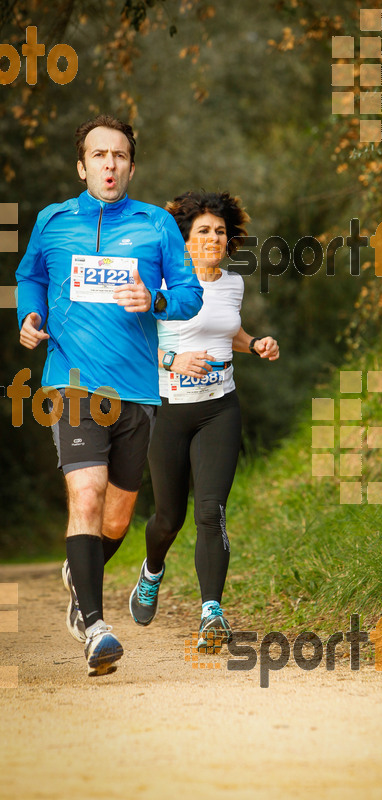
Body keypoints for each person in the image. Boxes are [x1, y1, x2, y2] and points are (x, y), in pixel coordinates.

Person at [16, 115, 203, 676]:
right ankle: (94, 625)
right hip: (73, 382)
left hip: (139, 389)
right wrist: (30, 315)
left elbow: (191, 294)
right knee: (87, 496)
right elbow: (31, 277)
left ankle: (83, 573)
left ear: (131, 165)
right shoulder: (52, 222)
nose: (109, 165)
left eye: (119, 156)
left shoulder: (158, 225)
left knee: (117, 521)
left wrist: (159, 302)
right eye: (98, 156)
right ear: (82, 166)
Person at [129, 191, 279, 651]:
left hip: (220, 408)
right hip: (170, 412)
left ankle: (211, 613)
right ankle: (152, 571)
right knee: (169, 519)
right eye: (203, 231)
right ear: (184, 239)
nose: (213, 238)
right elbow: (131, 348)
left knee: (210, 511)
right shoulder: (160, 286)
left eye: (220, 231)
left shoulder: (232, 284)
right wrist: (174, 358)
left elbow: (228, 331)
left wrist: (254, 344)